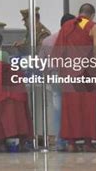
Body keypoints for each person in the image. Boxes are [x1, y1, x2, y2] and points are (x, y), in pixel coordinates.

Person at [52, 3, 96, 153]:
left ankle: (71, 143)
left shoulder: (67, 26)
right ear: (92, 15)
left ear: (79, 13)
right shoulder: (92, 26)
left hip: (68, 74)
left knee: (70, 109)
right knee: (88, 108)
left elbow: (58, 52)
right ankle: (87, 143)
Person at [38, 13, 75, 152]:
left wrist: (48, 74)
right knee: (72, 108)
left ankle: (60, 141)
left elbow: (41, 62)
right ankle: (73, 139)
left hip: (55, 77)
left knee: (58, 109)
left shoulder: (48, 40)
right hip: (71, 76)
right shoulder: (73, 39)